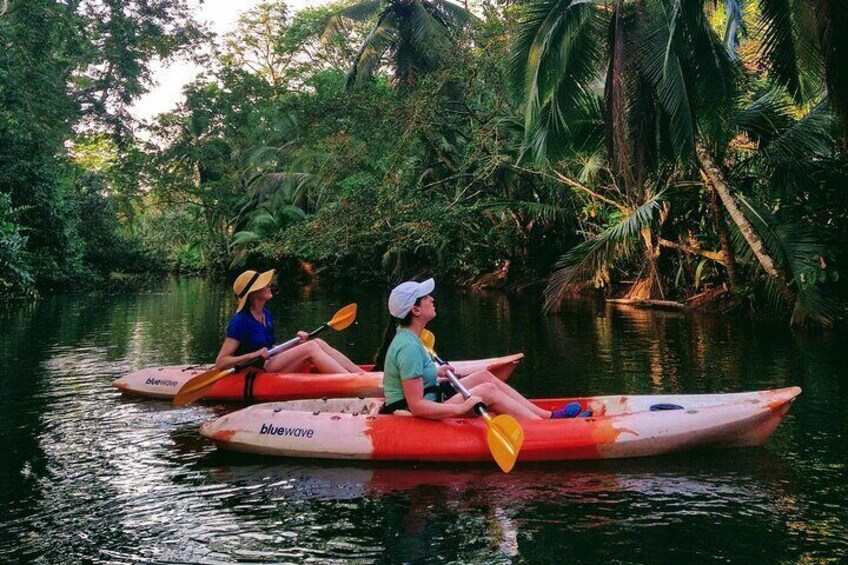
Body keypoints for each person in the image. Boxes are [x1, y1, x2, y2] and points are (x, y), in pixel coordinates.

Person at [375, 278, 587, 419]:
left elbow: (418, 376)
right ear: (415, 310)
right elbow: (417, 406)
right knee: (487, 391)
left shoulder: (412, 338)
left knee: (484, 377)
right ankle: (546, 429)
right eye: (426, 298)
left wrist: (436, 371)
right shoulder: (408, 346)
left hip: (433, 398)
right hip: (410, 414)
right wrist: (461, 408)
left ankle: (547, 416)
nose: (432, 299)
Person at [215, 269, 360, 374]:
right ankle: (353, 382)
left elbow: (270, 348)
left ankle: (362, 375)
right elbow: (221, 363)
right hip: (259, 369)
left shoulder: (266, 314)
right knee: (310, 348)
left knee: (315, 342)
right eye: (264, 284)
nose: (269, 284)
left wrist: (297, 341)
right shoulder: (240, 321)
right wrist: (253, 355)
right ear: (253, 294)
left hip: (271, 361)